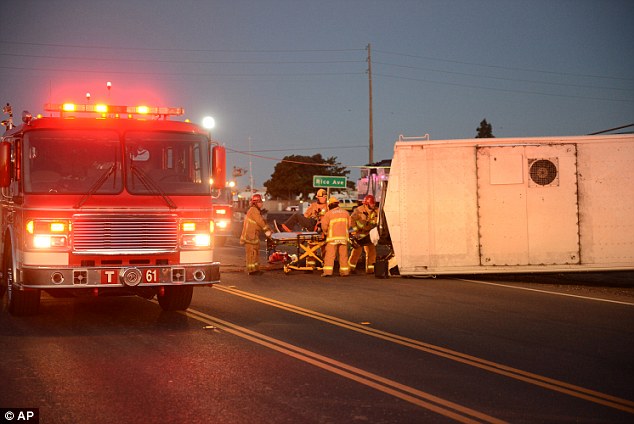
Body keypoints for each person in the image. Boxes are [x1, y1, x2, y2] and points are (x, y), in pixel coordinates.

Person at [240, 194, 272, 275]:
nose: (262, 204)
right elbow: (260, 221)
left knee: (255, 253)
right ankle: (251, 271)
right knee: (251, 253)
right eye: (260, 202)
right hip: (250, 236)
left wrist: (269, 229)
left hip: (253, 235)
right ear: (256, 203)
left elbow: (262, 221)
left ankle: (255, 269)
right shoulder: (253, 210)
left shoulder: (255, 211)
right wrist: (267, 231)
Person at [320, 196, 352, 277]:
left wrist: (325, 232)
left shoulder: (328, 214)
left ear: (329, 205)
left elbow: (324, 226)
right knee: (343, 255)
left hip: (332, 238)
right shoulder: (346, 213)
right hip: (343, 238)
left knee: (330, 255)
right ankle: (344, 272)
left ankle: (328, 272)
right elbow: (349, 225)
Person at [349, 194, 378, 274]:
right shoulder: (358, 211)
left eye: (374, 204)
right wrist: (354, 233)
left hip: (369, 234)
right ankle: (351, 268)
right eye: (372, 204)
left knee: (372, 252)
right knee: (356, 252)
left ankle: (370, 269)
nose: (373, 205)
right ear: (366, 204)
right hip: (359, 234)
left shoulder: (376, 211)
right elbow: (352, 222)